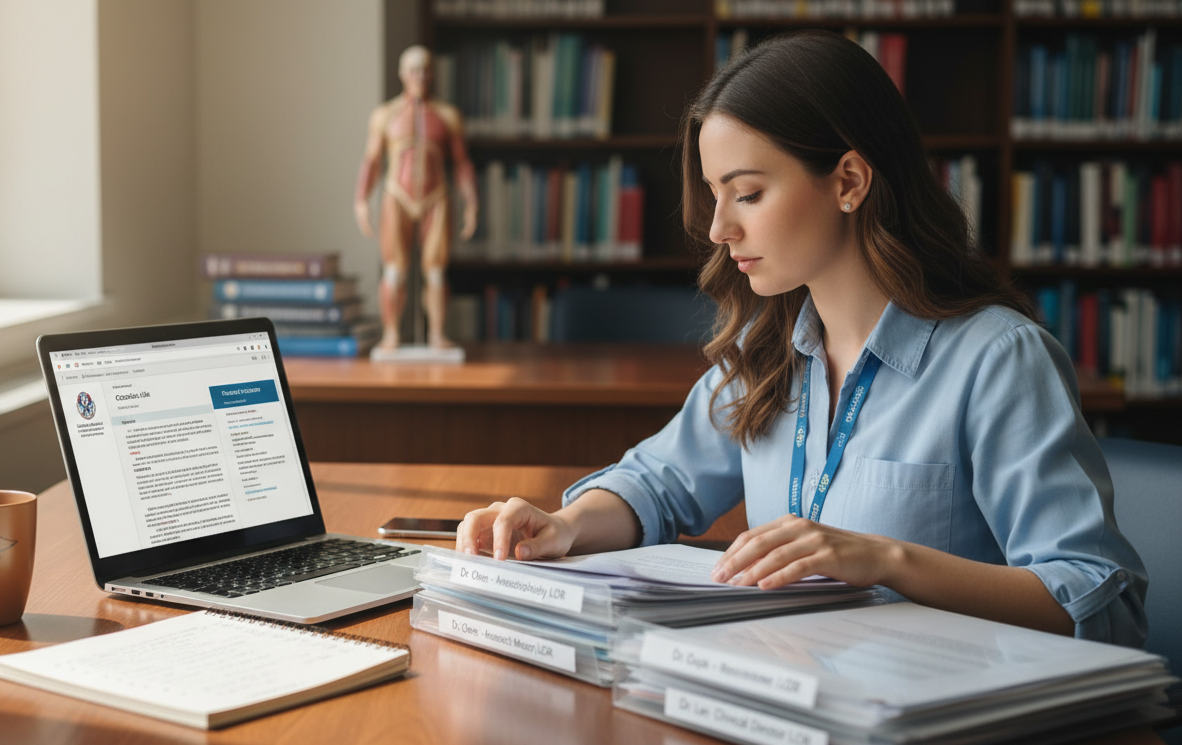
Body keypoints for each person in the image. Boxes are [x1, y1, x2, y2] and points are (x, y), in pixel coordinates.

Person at [455, 30, 1147, 646]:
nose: (719, 229)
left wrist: (885, 560)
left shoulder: (998, 360)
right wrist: (568, 524)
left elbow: (1096, 599)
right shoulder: (768, 348)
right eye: (714, 195)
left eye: (747, 193)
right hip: (784, 697)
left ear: (848, 181)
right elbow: (657, 483)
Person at [355, 44, 478, 350]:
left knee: (436, 271)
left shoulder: (448, 116)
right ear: (402, 74)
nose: (419, 76)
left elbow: (462, 162)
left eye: (424, 70)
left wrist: (471, 202)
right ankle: (391, 333)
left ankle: (436, 333)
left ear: (432, 74)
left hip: (435, 196)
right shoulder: (385, 115)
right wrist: (361, 199)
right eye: (413, 70)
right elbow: (371, 161)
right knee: (394, 269)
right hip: (397, 195)